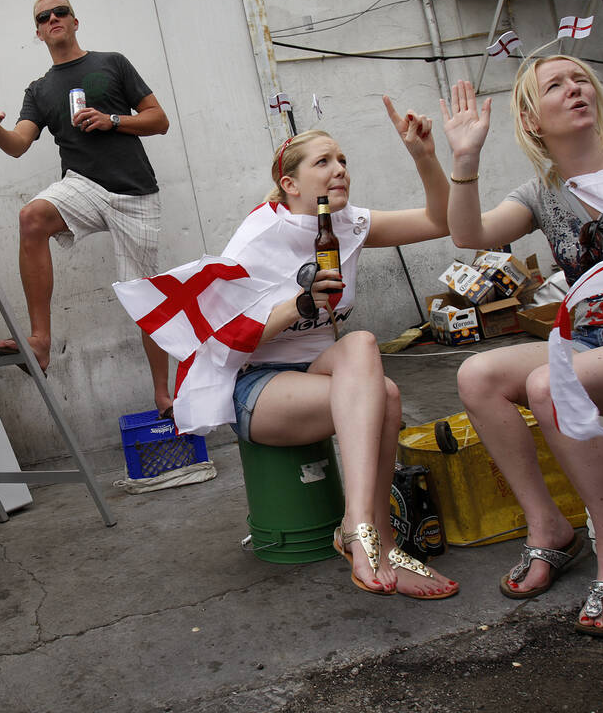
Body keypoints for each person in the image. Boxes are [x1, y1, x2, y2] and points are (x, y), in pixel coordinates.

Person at [117, 100, 459, 599]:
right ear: (290, 185)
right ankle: (373, 537)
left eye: (343, 160)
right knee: (380, 396)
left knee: (362, 342)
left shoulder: (349, 225)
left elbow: (441, 221)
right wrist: (298, 303)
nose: (339, 169)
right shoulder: (260, 236)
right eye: (323, 162)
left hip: (318, 372)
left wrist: (424, 157)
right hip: (257, 386)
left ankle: (360, 527)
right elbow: (222, 332)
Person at [442, 57, 603, 638]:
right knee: (478, 376)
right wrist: (465, 157)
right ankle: (548, 527)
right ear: (533, 121)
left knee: (551, 384)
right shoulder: (542, 191)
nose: (575, 88)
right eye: (554, 86)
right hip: (598, 339)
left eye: (580, 78)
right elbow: (469, 235)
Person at [0, 0, 173, 418]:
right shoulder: (40, 89)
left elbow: (159, 120)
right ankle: (40, 342)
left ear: (75, 21)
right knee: (32, 217)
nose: (53, 19)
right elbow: (18, 145)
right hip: (83, 184)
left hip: (134, 192)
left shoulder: (112, 63)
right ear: (39, 32)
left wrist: (112, 120)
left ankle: (163, 396)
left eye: (60, 12)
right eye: (44, 17)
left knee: (144, 298)